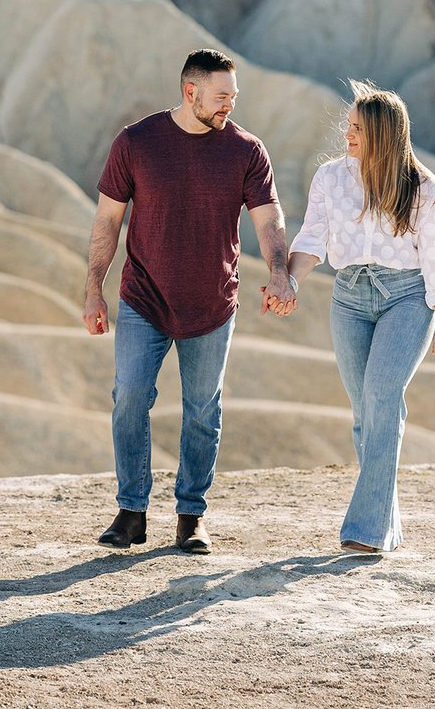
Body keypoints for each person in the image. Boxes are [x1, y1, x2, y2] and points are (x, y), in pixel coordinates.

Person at [83, 48, 296, 555]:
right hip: (144, 298)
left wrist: (281, 274)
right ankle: (131, 512)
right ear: (190, 91)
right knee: (130, 398)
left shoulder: (246, 150)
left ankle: (190, 517)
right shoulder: (136, 143)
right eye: (221, 97)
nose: (229, 106)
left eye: (234, 97)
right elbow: (108, 221)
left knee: (203, 410)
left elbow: (268, 219)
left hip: (212, 303)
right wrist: (94, 286)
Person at [281, 81, 435, 554]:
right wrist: (289, 281)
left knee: (383, 394)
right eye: (348, 124)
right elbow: (312, 238)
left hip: (407, 298)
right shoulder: (330, 178)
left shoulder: (422, 188)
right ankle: (387, 521)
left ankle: (365, 531)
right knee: (366, 413)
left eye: (357, 127)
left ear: (382, 133)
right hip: (349, 298)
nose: (347, 133)